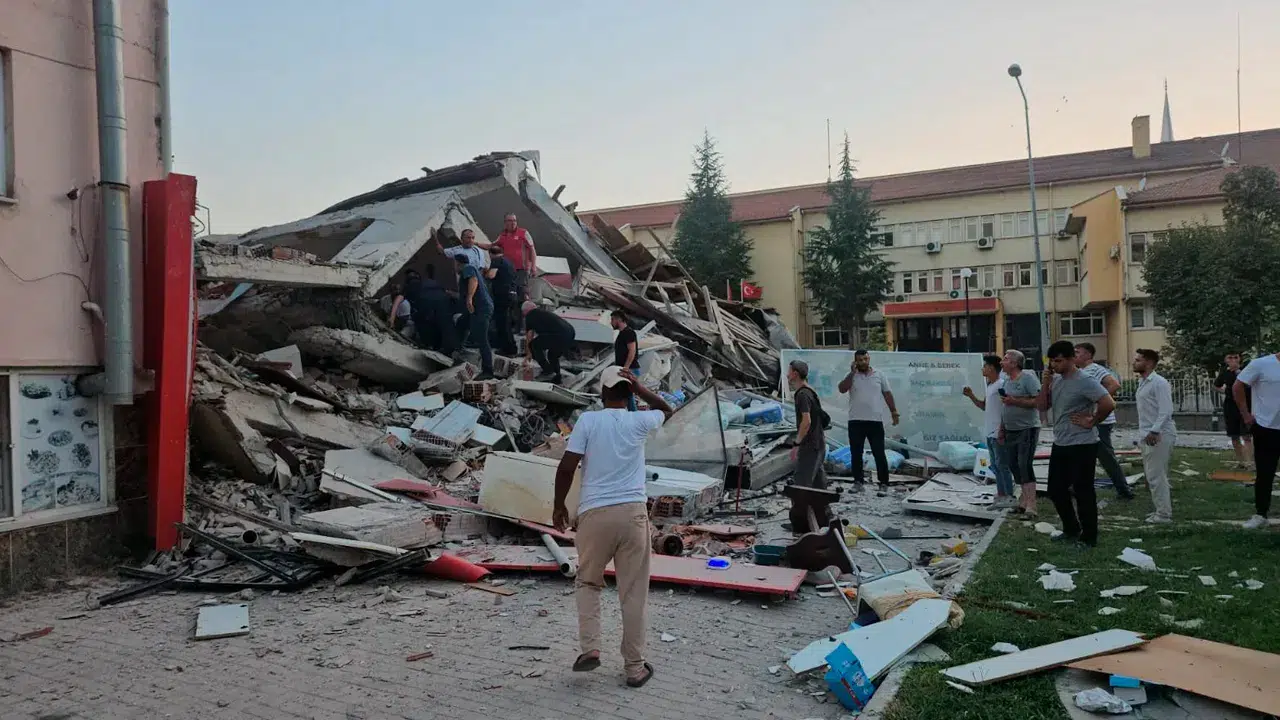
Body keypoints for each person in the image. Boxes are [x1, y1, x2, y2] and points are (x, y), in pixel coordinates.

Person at [552, 367, 673, 689]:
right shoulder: (639, 421)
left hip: (595, 515)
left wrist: (559, 505)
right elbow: (667, 409)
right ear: (629, 393)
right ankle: (634, 668)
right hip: (633, 516)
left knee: (588, 582)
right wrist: (641, 388)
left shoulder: (589, 421)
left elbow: (566, 467)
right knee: (633, 593)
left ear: (602, 392)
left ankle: (591, 648)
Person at [1037, 340, 1116, 548]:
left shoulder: (1085, 380)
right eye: (1052, 361)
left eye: (1059, 361)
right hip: (1061, 442)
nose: (1054, 365)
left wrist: (1093, 420)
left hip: (1082, 444)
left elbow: (1108, 402)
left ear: (1071, 359)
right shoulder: (1056, 380)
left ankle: (1089, 537)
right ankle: (1071, 528)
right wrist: (1045, 383)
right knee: (1055, 489)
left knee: (1083, 491)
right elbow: (1042, 406)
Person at [1075, 343, 1135, 500]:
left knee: (1106, 457)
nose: (1075, 355)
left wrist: (1099, 399)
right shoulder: (1080, 372)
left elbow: (1114, 384)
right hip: (1087, 421)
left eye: (1078, 352)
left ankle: (1124, 490)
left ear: (1088, 355)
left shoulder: (1095, 369)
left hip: (1101, 420)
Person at [837, 349, 898, 488]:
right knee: (856, 453)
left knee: (879, 453)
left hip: (875, 421)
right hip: (855, 421)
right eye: (860, 360)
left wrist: (894, 411)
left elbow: (887, 394)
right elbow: (842, 389)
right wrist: (852, 373)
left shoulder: (879, 375)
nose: (863, 362)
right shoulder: (852, 376)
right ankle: (858, 482)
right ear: (855, 362)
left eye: (865, 359)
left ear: (869, 359)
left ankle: (884, 483)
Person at [1233, 349, 1280, 530]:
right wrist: (1246, 415)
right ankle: (1261, 514)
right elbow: (1238, 386)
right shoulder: (1261, 364)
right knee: (1265, 473)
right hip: (1266, 427)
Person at [964, 355, 1014, 508]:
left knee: (1002, 465)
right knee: (995, 465)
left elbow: (1007, 409)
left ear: (991, 368)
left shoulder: (1001, 385)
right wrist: (971, 396)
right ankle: (1001, 494)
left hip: (998, 431)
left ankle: (1009, 496)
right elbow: (984, 406)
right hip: (989, 432)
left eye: (985, 366)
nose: (983, 369)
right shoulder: (990, 386)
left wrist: (1002, 429)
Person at [1133, 348, 1176, 524]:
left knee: (1155, 475)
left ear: (1149, 363)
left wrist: (1155, 430)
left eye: (1138, 360)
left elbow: (1166, 410)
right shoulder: (1144, 382)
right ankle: (1160, 510)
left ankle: (1163, 515)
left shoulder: (1159, 383)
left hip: (1158, 434)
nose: (1135, 363)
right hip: (1148, 433)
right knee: (1154, 474)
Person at [998, 349, 1041, 517]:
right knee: (1013, 464)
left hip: (1026, 428)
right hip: (1010, 429)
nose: (1001, 362)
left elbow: (1038, 401)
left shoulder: (1028, 378)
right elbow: (1004, 406)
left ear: (1014, 363)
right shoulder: (1006, 381)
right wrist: (1002, 428)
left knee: (1025, 464)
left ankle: (1032, 504)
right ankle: (1023, 501)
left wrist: (1014, 401)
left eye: (1005, 359)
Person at [788, 359, 827, 503]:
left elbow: (806, 421)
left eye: (789, 371)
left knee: (801, 485)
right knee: (818, 485)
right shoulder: (810, 392)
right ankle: (823, 513)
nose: (787, 375)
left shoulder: (802, 395)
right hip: (819, 443)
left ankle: (800, 516)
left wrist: (797, 444)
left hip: (810, 445)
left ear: (795, 374)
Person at [453, 255, 495, 380]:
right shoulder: (467, 272)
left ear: (458, 263)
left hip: (481, 309)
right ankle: (457, 351)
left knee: (482, 339)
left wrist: (469, 298)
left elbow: (474, 280)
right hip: (475, 310)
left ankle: (488, 371)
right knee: (461, 323)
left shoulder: (468, 268)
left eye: (454, 264)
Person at [495, 213, 537, 329]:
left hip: (521, 271)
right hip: (508, 272)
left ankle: (524, 327)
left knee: (522, 298)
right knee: (511, 298)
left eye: (514, 220)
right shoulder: (502, 235)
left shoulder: (523, 233)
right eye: (510, 220)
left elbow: (532, 249)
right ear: (505, 223)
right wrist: (476, 244)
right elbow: (492, 245)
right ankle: (513, 325)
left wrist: (533, 266)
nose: (513, 223)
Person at [522, 300, 576, 384]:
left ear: (525, 311)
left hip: (559, 335)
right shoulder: (543, 313)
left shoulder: (530, 315)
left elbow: (530, 335)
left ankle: (547, 370)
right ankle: (557, 376)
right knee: (552, 355)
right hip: (570, 332)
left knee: (534, 345)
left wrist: (528, 354)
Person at [1216, 352, 1253, 467]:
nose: (1233, 360)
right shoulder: (1224, 373)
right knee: (1234, 435)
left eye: (1235, 357)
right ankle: (1241, 462)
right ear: (1226, 360)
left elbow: (1250, 384)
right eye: (1230, 357)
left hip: (1245, 406)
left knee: (1247, 435)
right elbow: (1216, 385)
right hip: (1230, 406)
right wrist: (1227, 392)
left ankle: (1249, 462)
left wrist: (1238, 371)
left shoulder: (1245, 370)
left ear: (1239, 359)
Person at [485, 245, 519, 356]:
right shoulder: (508, 262)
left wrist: (485, 273)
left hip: (502, 296)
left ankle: (508, 349)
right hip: (513, 295)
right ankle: (511, 347)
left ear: (491, 254)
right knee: (507, 323)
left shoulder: (496, 261)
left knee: (502, 323)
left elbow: (491, 275)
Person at [611, 310, 641, 411]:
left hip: (630, 369)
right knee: (626, 395)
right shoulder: (622, 333)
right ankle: (629, 414)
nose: (611, 322)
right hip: (625, 369)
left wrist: (626, 368)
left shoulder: (628, 332)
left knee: (628, 396)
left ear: (618, 319)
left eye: (612, 320)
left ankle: (633, 415)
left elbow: (632, 351)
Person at [387, 271, 416, 337]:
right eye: (394, 289)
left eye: (397, 289)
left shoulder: (399, 297)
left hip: (407, 325)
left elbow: (394, 309)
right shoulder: (391, 298)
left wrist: (391, 320)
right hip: (402, 323)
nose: (396, 291)